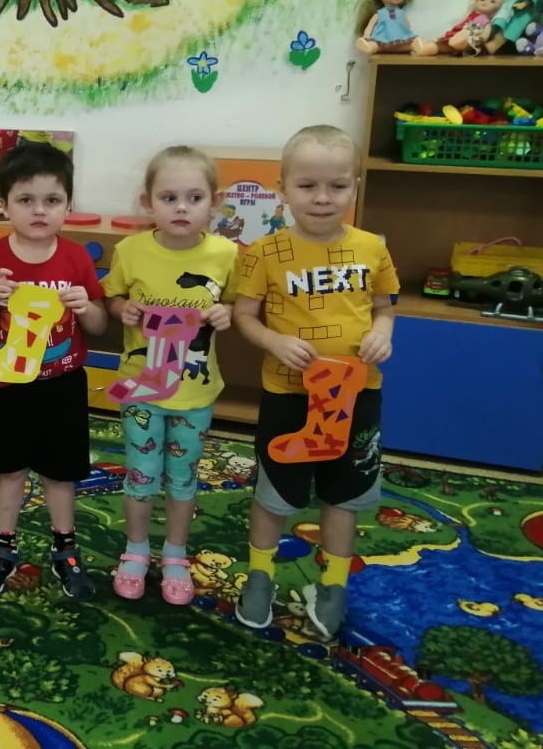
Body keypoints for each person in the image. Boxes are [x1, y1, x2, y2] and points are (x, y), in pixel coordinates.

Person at [233, 125, 397, 639]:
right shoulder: (264, 252)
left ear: (355, 187)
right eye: (307, 186)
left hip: (357, 396)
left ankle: (333, 587)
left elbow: (384, 308)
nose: (323, 198)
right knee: (275, 492)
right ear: (283, 188)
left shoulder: (372, 248)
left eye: (338, 186)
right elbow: (244, 316)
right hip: (290, 396)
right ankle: (260, 578)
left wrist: (382, 334)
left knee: (344, 494)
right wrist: (274, 341)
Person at [0, 142, 106, 599]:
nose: (39, 210)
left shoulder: (77, 258)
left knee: (60, 473)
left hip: (63, 385)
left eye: (52, 200)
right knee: (8, 470)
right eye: (25, 199)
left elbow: (99, 326)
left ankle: (66, 548)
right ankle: (2, 547)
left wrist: (86, 307)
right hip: (8, 386)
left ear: (68, 205)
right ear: (4, 205)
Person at [103, 146, 239, 605]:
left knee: (183, 477)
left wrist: (226, 313)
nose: (182, 207)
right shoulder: (130, 250)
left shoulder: (226, 254)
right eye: (169, 198)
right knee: (141, 474)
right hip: (141, 388)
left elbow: (237, 303)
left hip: (195, 392)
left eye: (194, 198)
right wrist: (124, 310)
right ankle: (136, 549)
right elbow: (113, 298)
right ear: (148, 203)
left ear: (214, 202)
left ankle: (176, 553)